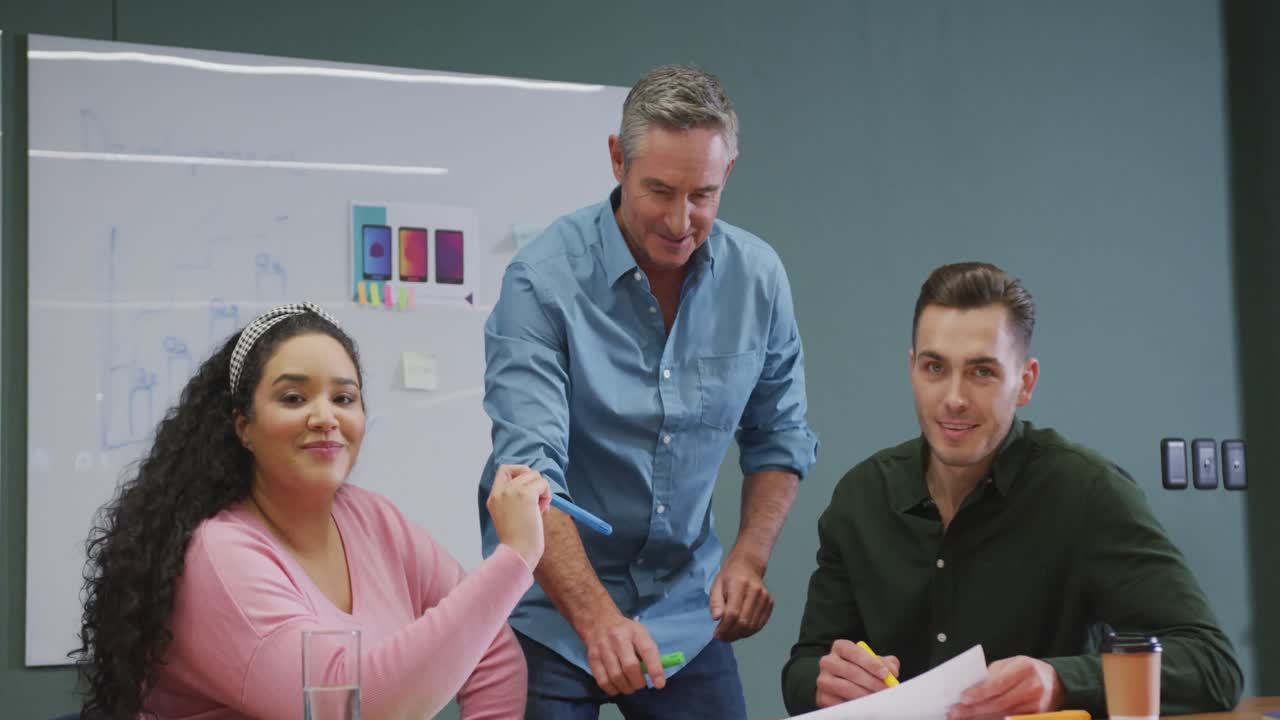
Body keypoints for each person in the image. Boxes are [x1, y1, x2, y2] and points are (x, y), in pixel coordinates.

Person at [478, 64, 819, 719]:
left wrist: (748, 560)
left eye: (703, 194)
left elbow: (779, 435)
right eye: (659, 190)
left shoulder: (758, 279)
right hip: (548, 609)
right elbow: (528, 478)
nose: (679, 220)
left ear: (729, 174)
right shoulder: (541, 283)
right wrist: (598, 618)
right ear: (617, 159)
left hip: (682, 608)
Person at [781, 263, 1243, 717]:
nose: (954, 397)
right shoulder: (861, 497)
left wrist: (1061, 682)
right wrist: (825, 681)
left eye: (982, 372)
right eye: (935, 367)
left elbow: (1212, 664)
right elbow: (805, 667)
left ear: (1025, 382)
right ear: (912, 369)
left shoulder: (1088, 492)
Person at [75, 302, 550, 720]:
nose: (326, 417)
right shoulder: (218, 555)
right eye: (293, 398)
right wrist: (515, 557)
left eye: (344, 398)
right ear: (243, 427)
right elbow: (351, 706)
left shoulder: (373, 519)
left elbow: (494, 652)